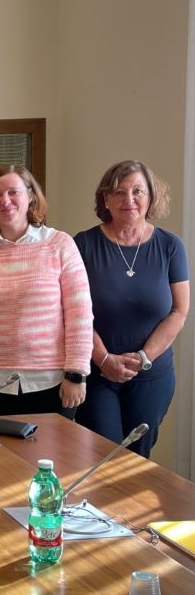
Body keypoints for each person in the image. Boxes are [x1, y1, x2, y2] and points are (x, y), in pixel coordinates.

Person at [0, 165, 92, 418]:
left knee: (52, 458)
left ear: (31, 196)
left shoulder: (59, 244)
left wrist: (76, 373)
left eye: (13, 192)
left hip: (52, 383)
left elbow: (79, 314)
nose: (5, 201)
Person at [74, 161, 189, 458]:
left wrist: (145, 357)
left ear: (151, 196)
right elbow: (74, 313)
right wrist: (103, 359)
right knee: (103, 456)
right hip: (98, 375)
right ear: (105, 199)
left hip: (152, 376)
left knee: (138, 459)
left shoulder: (170, 246)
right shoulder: (83, 245)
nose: (129, 200)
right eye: (119, 192)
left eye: (138, 191)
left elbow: (179, 311)